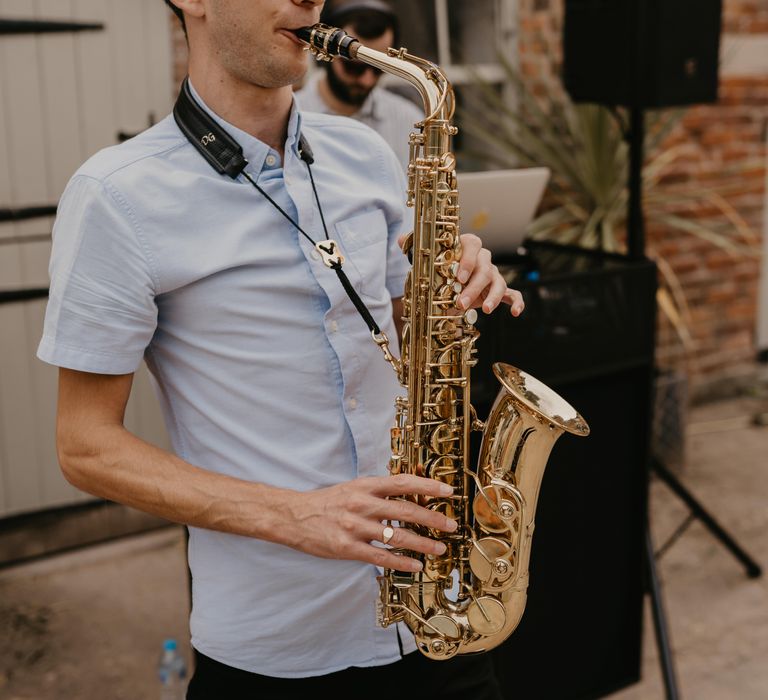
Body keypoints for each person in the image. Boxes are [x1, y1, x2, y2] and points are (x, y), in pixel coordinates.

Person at [37, 1, 524, 697]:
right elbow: (84, 446)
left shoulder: (366, 154)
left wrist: (453, 285)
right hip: (280, 653)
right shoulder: (116, 196)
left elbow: (403, 343)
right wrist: (296, 514)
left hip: (442, 616)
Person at [294, 0, 422, 171]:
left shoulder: (409, 119)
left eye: (378, 69)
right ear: (327, 54)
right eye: (354, 67)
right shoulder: (291, 116)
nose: (367, 80)